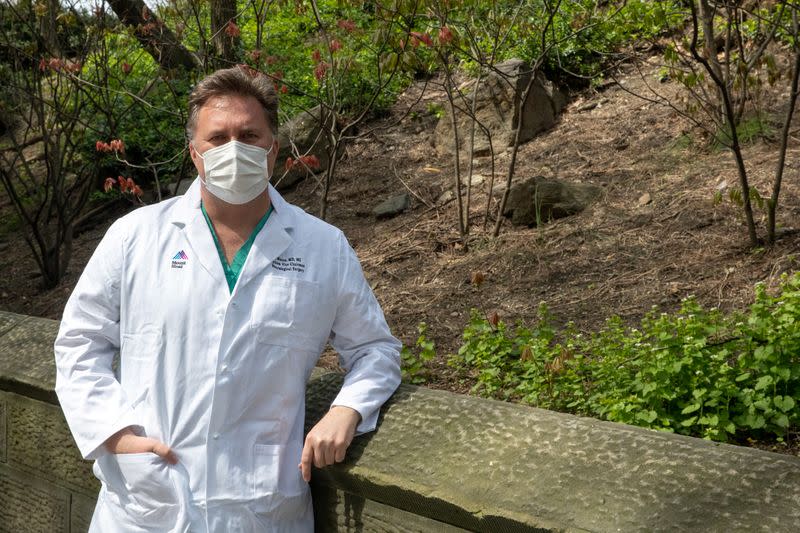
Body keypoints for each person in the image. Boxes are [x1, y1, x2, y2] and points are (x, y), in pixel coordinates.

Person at [54, 66, 401, 532]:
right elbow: (79, 343)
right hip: (147, 503)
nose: (234, 148)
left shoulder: (323, 247)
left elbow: (376, 349)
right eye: (217, 138)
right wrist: (114, 435)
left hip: (261, 507)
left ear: (273, 150)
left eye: (249, 135)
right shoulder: (135, 236)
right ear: (194, 153)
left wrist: (348, 408)